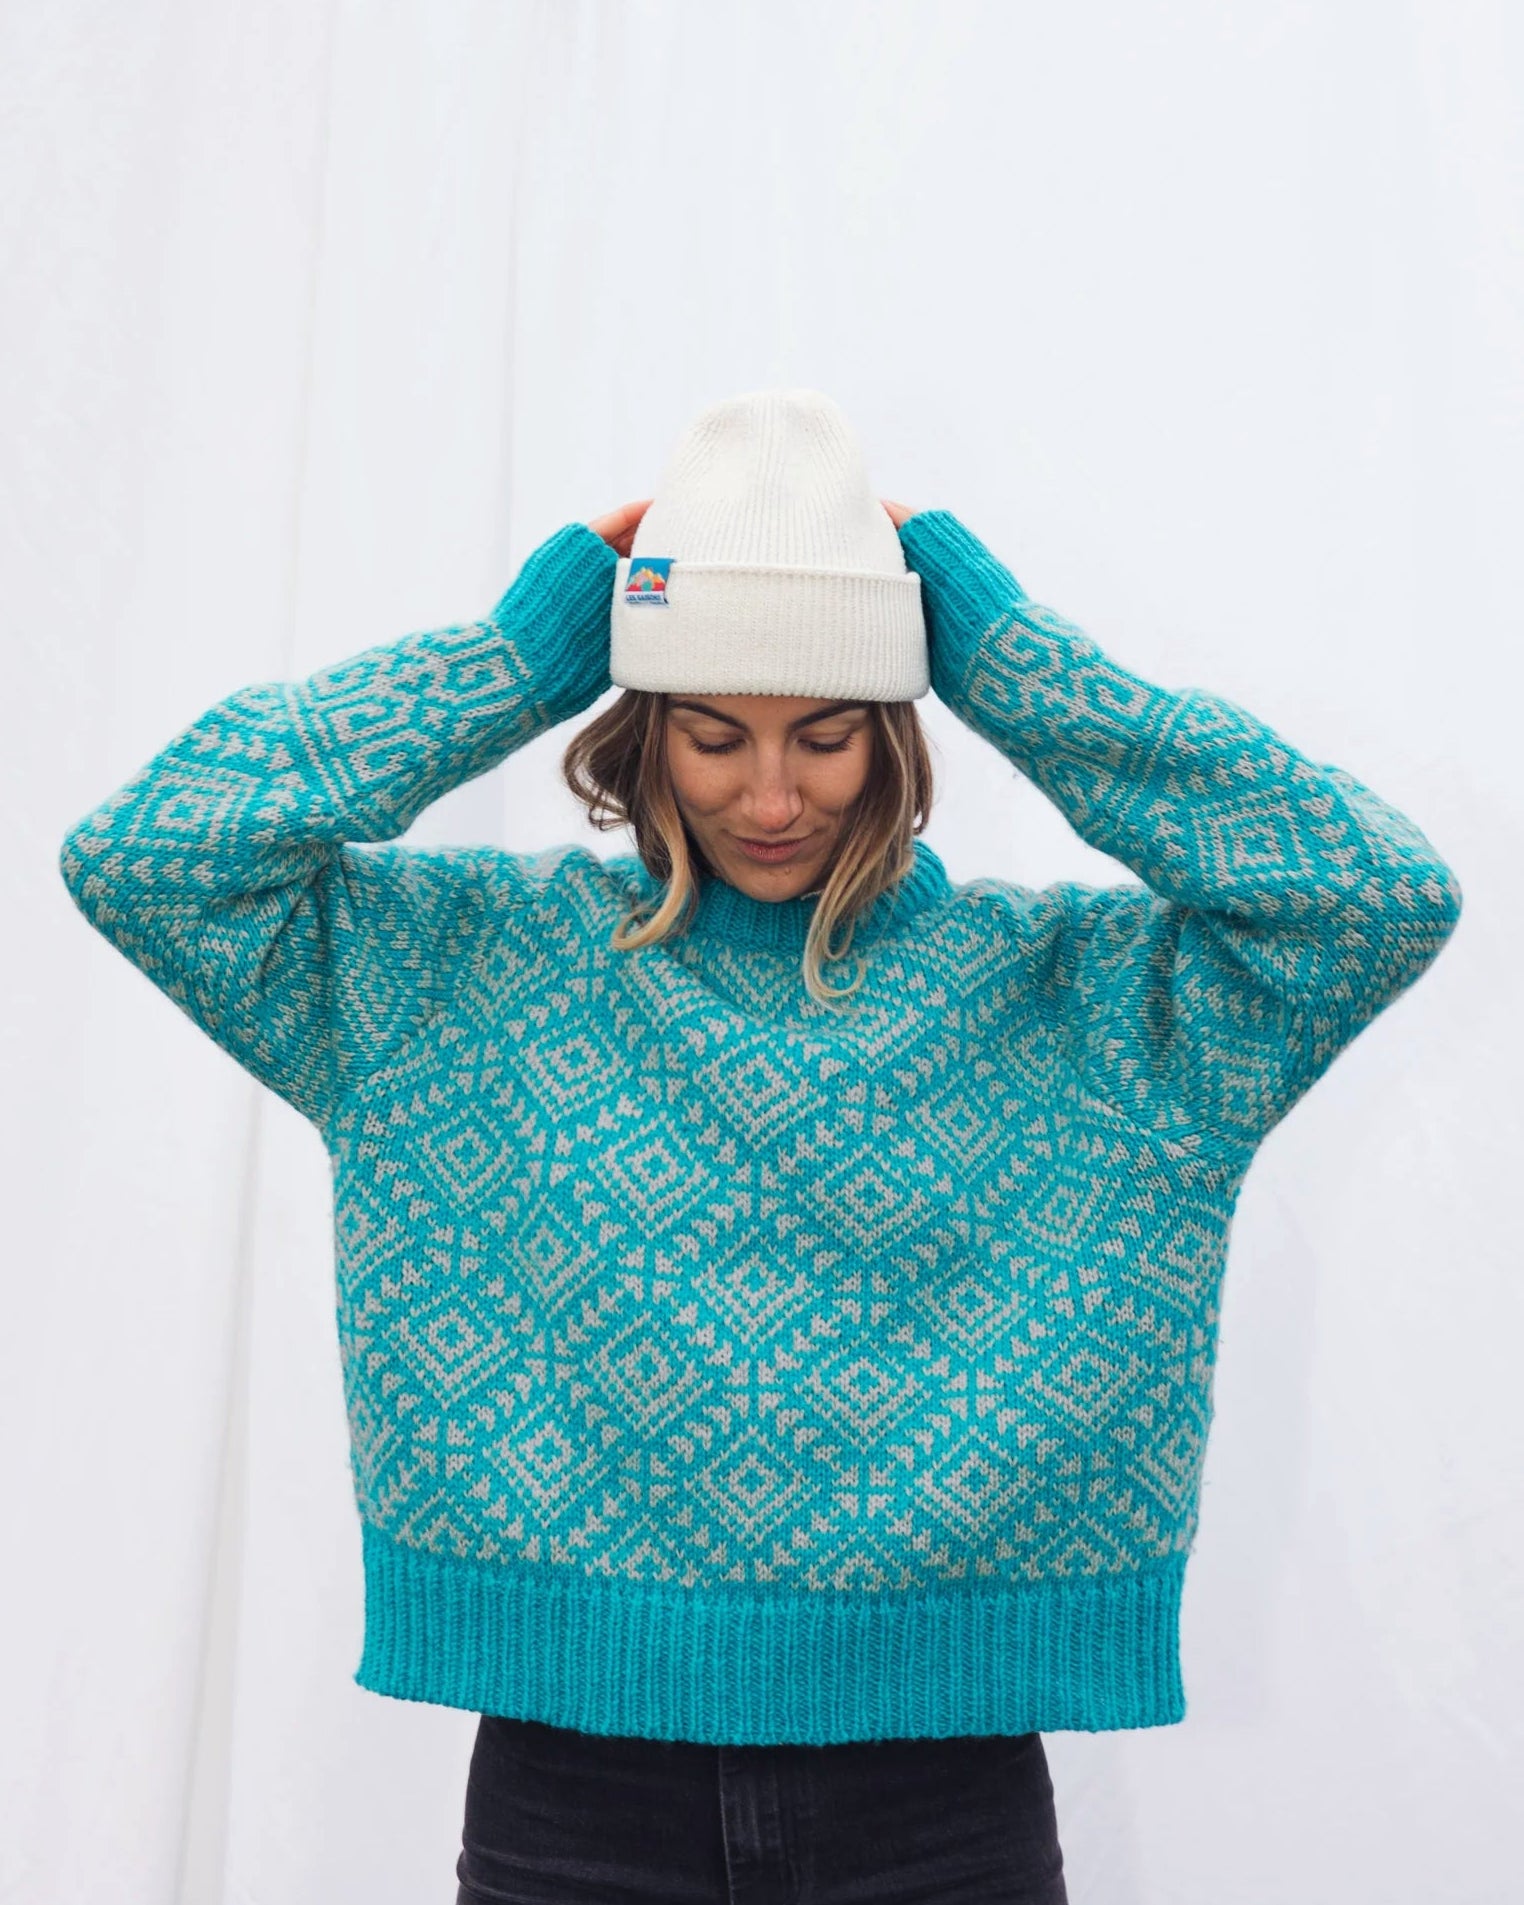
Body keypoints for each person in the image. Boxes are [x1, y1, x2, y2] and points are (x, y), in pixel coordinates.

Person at [59, 387, 1462, 1902]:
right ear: (641, 724)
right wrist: (514, 656)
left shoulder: (1079, 1009)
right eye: (717, 733)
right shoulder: (459, 978)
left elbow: (1372, 897)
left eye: (832, 731)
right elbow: (148, 854)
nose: (774, 795)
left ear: (902, 731)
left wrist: (1005, 658)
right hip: (572, 1787)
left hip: (943, 1791)